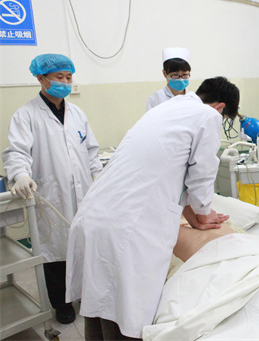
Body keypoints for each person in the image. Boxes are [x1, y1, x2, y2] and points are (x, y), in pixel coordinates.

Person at [65, 76, 240, 340]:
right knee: (125, 312)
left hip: (96, 214)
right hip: (128, 225)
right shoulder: (208, 116)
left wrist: (193, 214)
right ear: (220, 107)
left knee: (98, 302)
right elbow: (202, 176)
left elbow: (172, 172)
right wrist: (204, 214)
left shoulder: (168, 108)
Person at [2, 53, 102, 324]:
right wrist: (21, 175)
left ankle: (86, 295)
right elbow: (17, 152)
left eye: (69, 77)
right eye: (59, 77)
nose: (65, 82)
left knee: (85, 247)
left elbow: (91, 151)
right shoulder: (26, 115)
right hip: (51, 195)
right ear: (41, 78)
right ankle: (62, 304)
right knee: (55, 252)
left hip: (83, 193)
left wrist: (98, 176)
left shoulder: (77, 113)